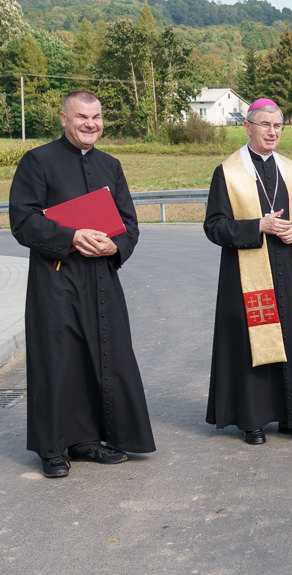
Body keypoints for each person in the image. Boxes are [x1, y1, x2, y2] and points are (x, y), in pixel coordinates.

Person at [9, 90, 155, 478]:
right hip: (56, 279)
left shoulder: (111, 165)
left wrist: (115, 243)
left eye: (96, 117)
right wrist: (72, 236)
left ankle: (89, 440)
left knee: (104, 355)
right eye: (82, 117)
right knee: (58, 362)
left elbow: (130, 224)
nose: (91, 124)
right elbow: (22, 221)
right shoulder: (37, 161)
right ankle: (53, 448)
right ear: (63, 119)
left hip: (102, 278)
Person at [204, 98, 292, 445]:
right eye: (265, 125)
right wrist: (258, 226)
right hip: (245, 276)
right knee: (251, 346)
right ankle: (251, 419)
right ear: (248, 127)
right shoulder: (228, 171)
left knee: (289, 342)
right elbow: (214, 227)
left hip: (286, 266)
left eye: (277, 126)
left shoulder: (291, 169)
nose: (272, 132)